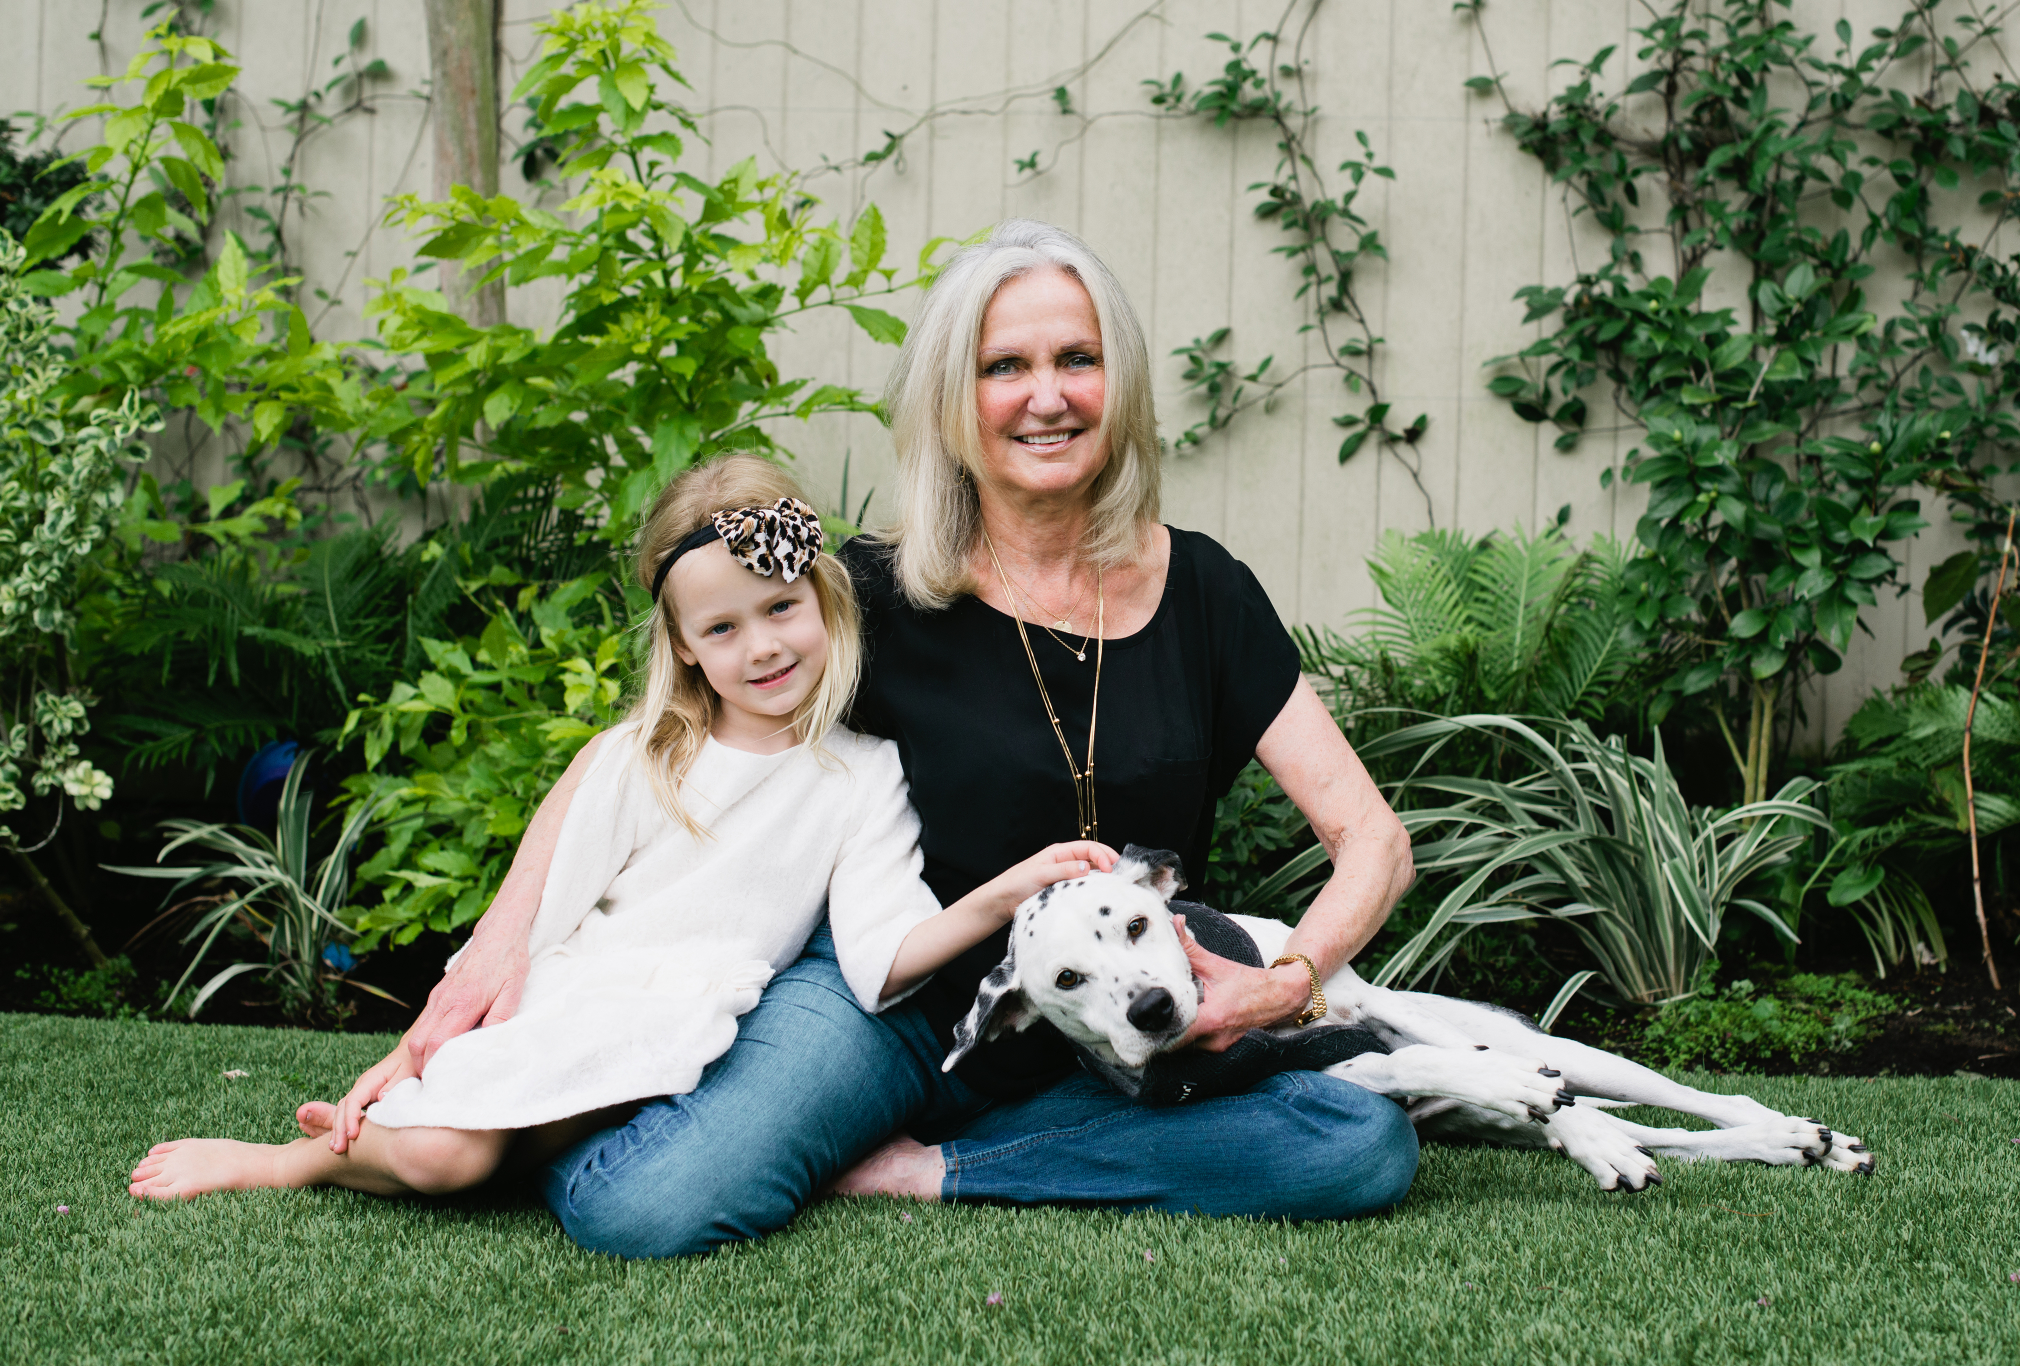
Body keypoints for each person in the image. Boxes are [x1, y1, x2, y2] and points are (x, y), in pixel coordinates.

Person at [312, 219, 1421, 1257]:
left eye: (1075, 360)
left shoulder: (1204, 594)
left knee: (1357, 1147)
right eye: (1003, 368)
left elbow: (1369, 837)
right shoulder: (873, 595)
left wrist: (1279, 984)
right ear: (953, 404)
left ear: (1117, 384)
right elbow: (645, 739)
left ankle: (936, 1169)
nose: (1045, 398)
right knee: (642, 1201)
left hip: (1109, 1011)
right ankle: (587, 1126)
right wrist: (500, 948)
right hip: (883, 1003)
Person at [126, 455, 1118, 1202]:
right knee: (442, 1153)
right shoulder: (649, 755)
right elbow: (535, 927)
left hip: (690, 1026)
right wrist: (415, 1049)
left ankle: (487, 1151)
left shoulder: (861, 776)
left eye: (779, 609)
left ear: (821, 599)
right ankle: (293, 1163)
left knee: (483, 1156)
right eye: (721, 629)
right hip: (582, 997)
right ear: (684, 649)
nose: (761, 646)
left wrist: (1002, 891)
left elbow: (877, 958)